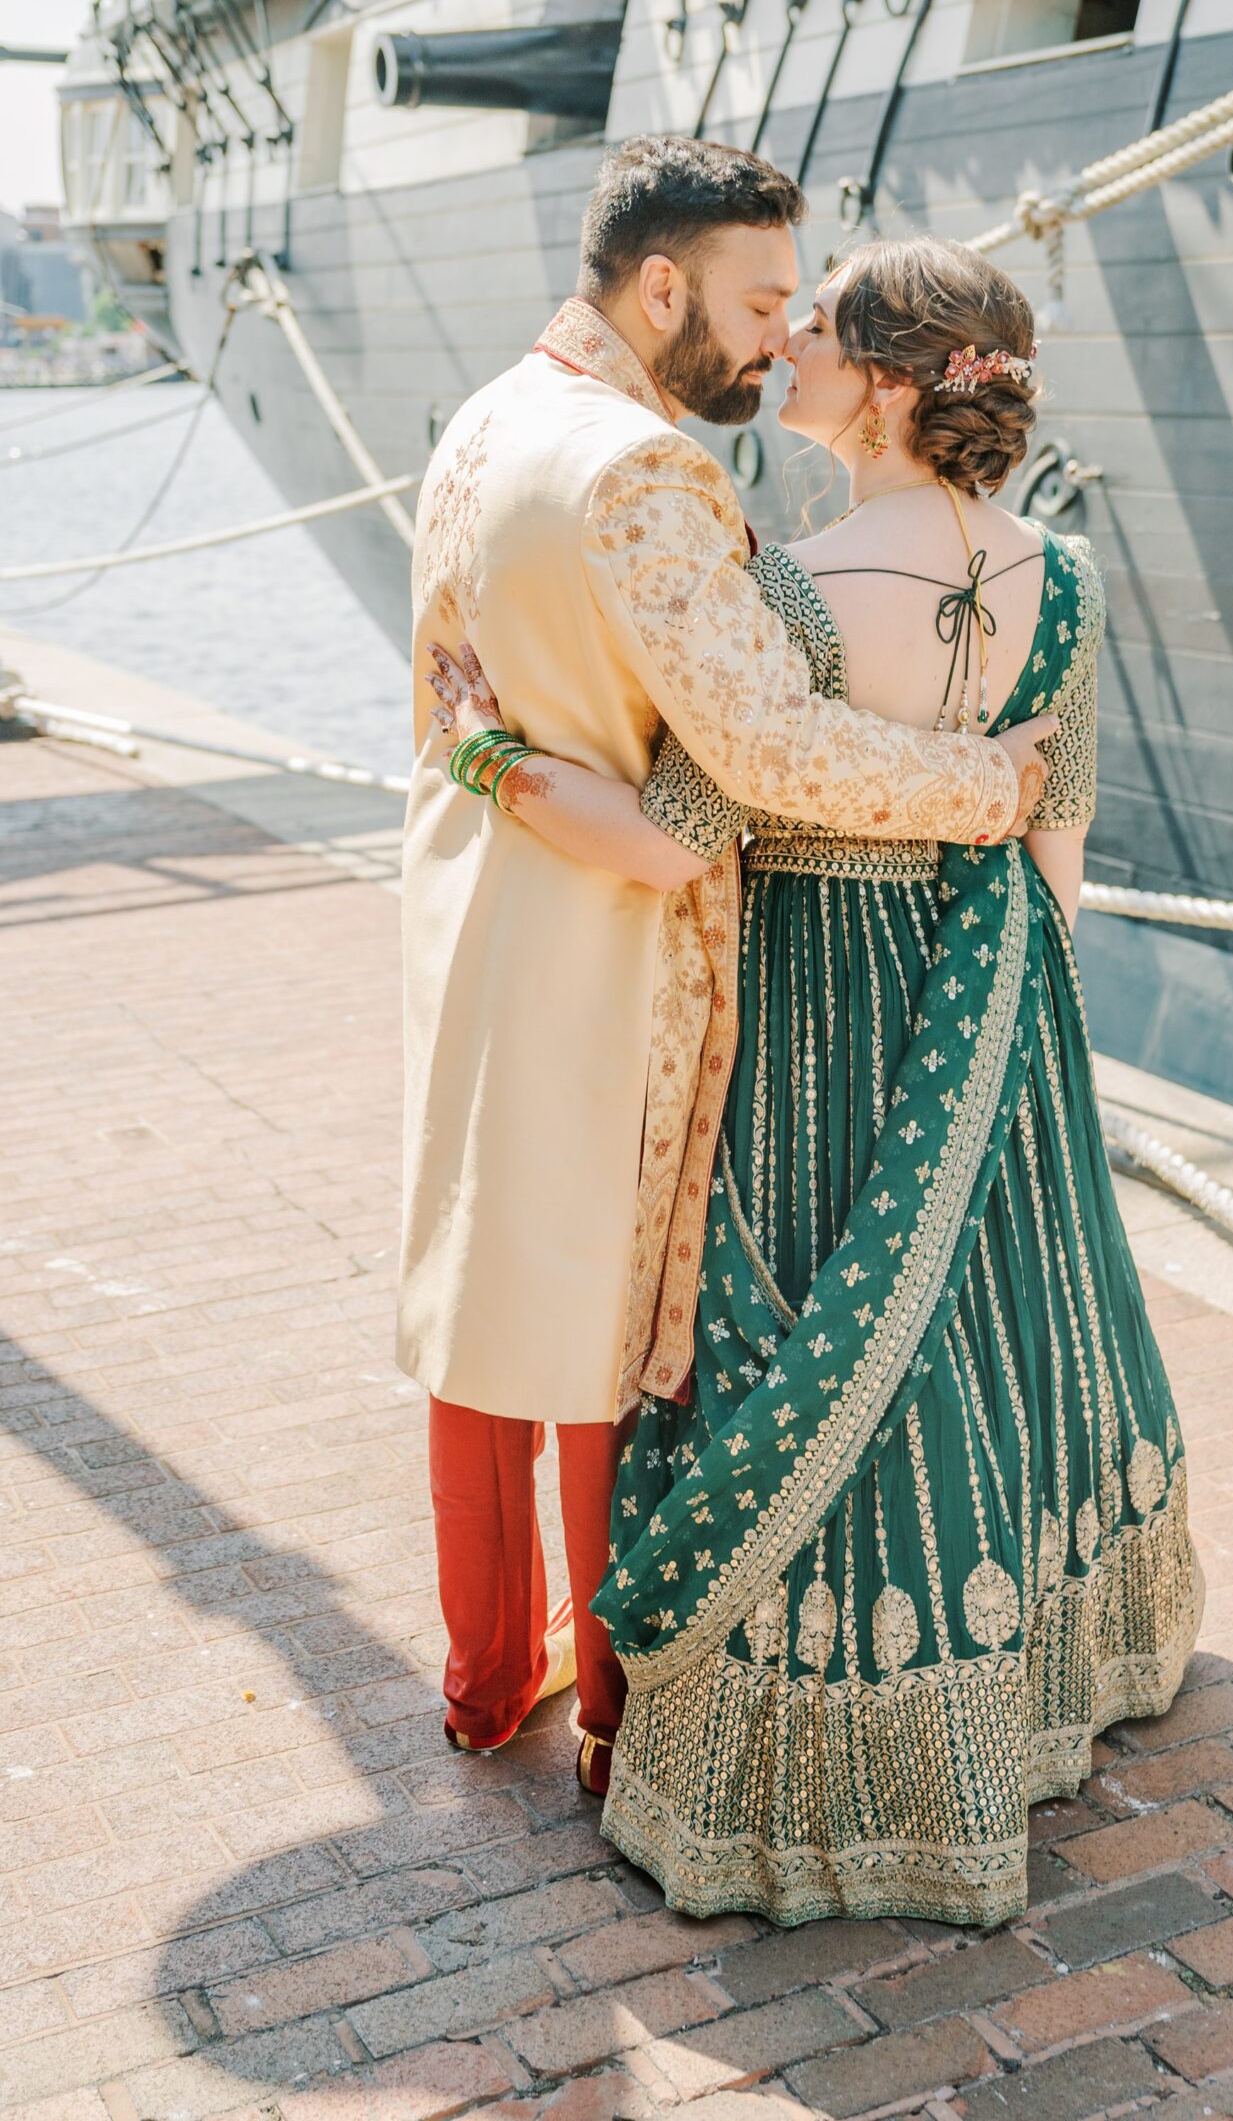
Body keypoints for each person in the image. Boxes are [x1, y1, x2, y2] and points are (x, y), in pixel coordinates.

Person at [429, 232, 1202, 1922]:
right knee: (986, 1328)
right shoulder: (1061, 583)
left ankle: (828, 1754)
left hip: (813, 1013)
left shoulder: (787, 596)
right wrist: (1001, 1034)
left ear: (893, 388)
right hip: (996, 994)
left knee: (818, 1339)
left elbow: (663, 842)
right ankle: (1036, 1665)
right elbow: (1058, 855)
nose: (789, 357)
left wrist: (479, 743)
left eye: (823, 334)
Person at [400, 141, 1059, 1795]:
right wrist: (995, 785)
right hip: (620, 945)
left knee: (492, 1303)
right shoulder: (646, 474)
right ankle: (626, 1709)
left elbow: (445, 693)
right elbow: (768, 748)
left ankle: (490, 1677)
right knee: (619, 1334)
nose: (780, 339)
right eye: (766, 301)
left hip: (478, 917)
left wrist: (492, 773)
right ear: (665, 284)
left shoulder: (482, 424)